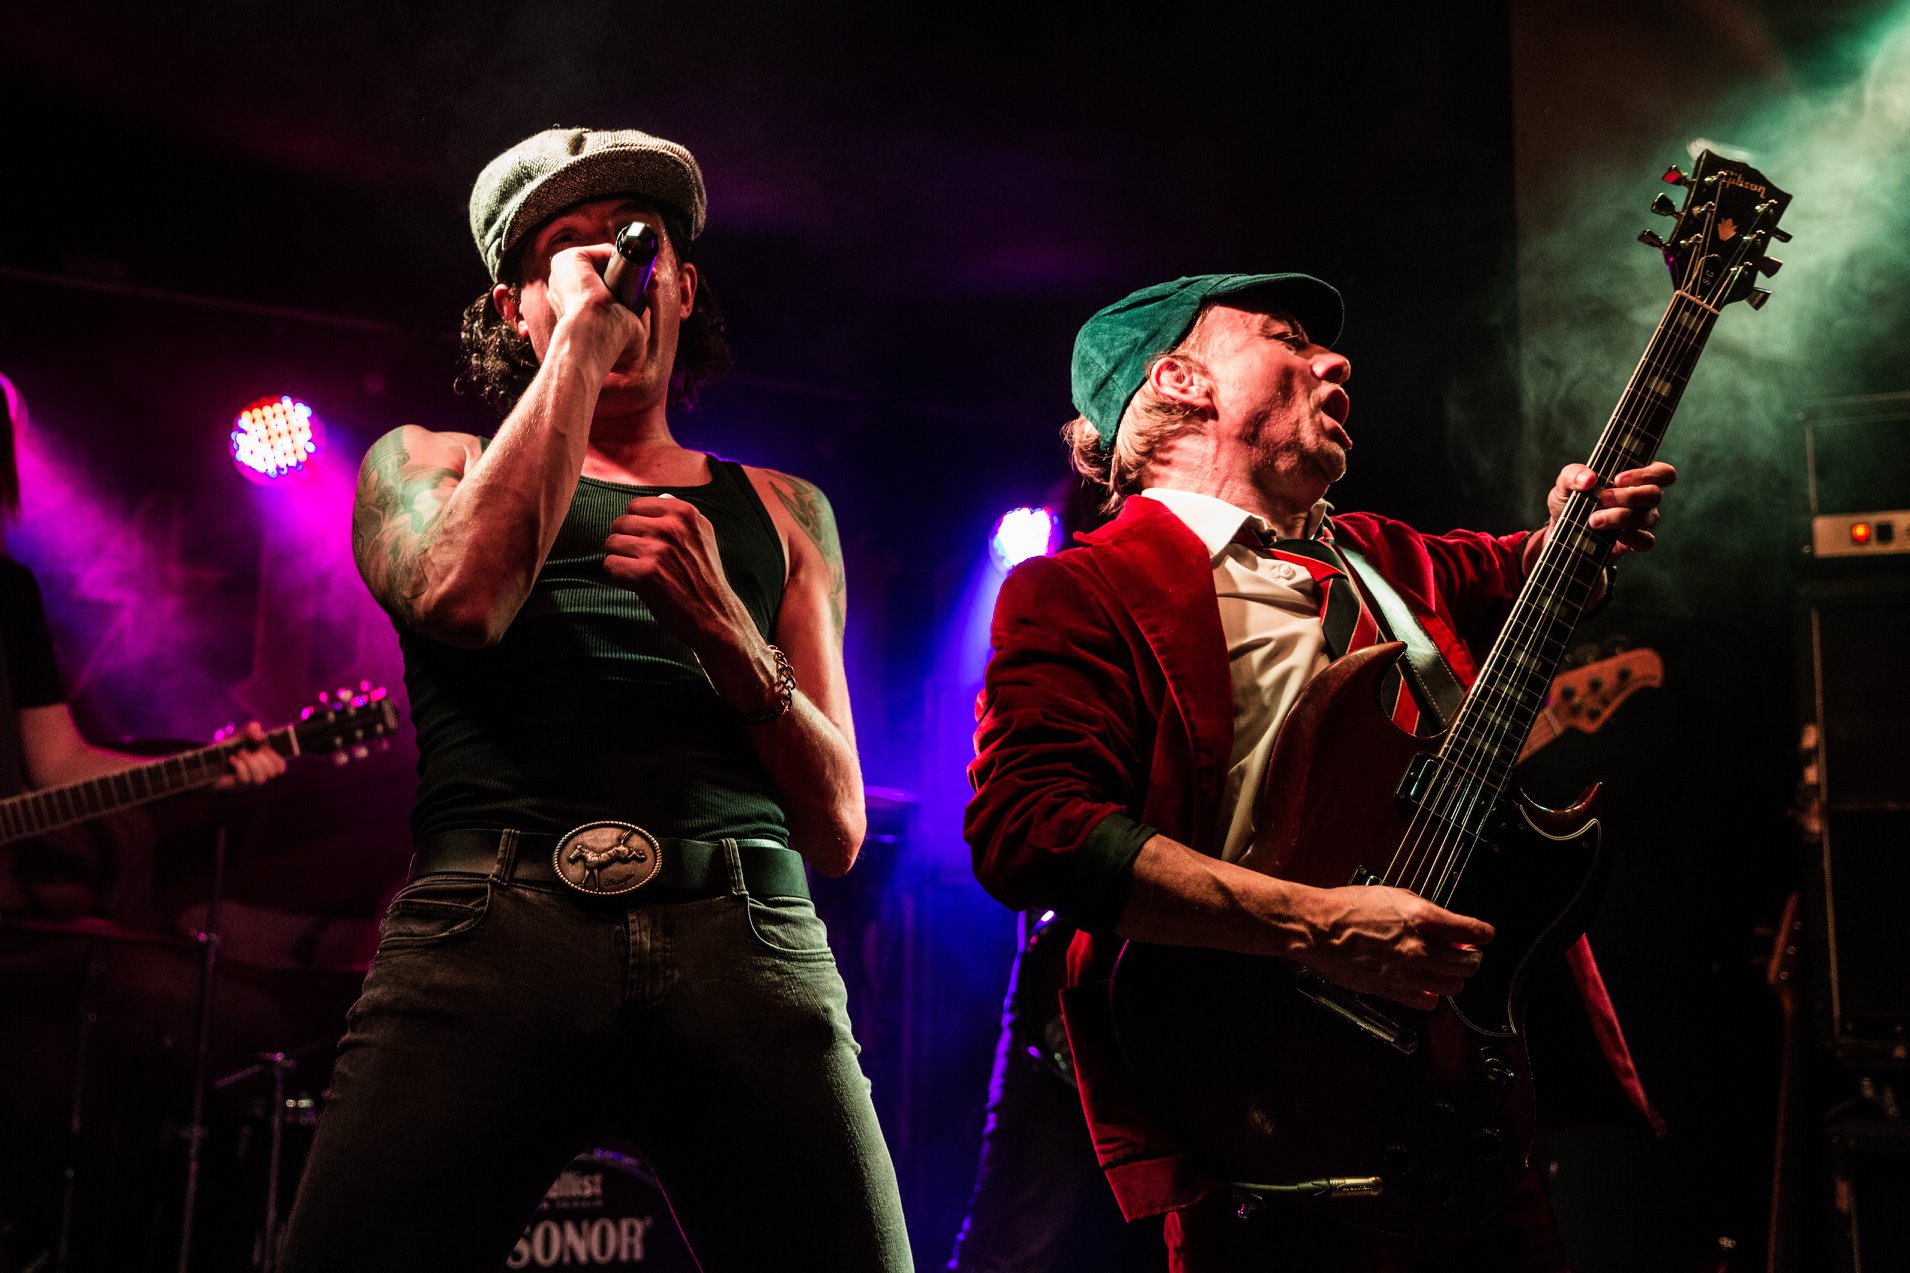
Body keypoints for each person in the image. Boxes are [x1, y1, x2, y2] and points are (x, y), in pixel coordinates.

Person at [276, 127, 911, 1272]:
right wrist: (578, 345)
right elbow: (461, 598)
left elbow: (837, 826)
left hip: (741, 925)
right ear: (512, 306)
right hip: (487, 926)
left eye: (636, 244)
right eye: (566, 251)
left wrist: (728, 637)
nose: (614, 267)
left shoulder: (783, 508)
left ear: (684, 289)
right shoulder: (425, 462)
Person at [964, 274, 1670, 1271]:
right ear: (1179, 380)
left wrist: (1569, 539)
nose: (1333, 360)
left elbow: (1529, 571)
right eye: (1286, 338)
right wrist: (1320, 923)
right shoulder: (1081, 589)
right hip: (1257, 1106)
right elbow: (1030, 829)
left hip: (1464, 1099)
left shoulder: (1388, 557)